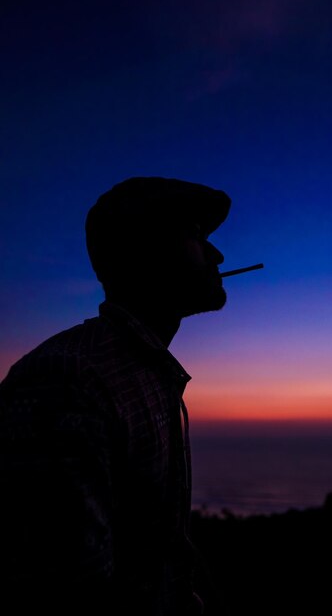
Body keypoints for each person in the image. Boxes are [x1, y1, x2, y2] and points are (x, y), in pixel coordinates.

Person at [0, 177, 231, 613]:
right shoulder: (68, 381)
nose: (217, 254)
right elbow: (64, 595)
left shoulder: (146, 371)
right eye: (197, 236)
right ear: (147, 252)